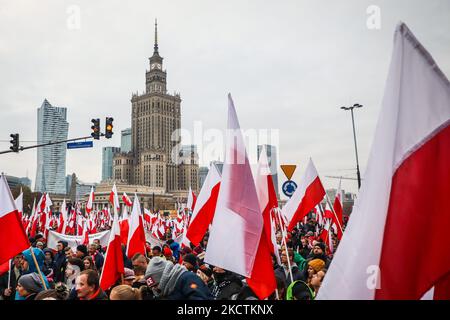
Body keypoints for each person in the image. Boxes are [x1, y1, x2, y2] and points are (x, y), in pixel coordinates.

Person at [144, 256, 212, 300]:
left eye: (156, 285)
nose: (155, 289)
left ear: (164, 277)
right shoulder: (163, 292)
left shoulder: (189, 279)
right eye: (152, 287)